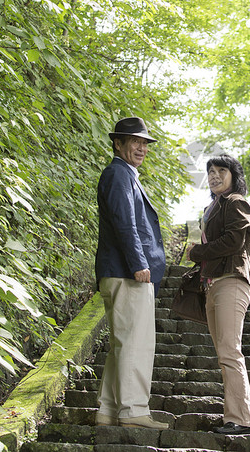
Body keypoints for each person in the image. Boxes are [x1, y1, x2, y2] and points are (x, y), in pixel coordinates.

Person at [94, 116, 168, 429]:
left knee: (123, 343)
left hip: (120, 270)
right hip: (126, 271)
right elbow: (126, 222)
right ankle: (133, 411)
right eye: (134, 141)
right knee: (135, 342)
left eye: (143, 142)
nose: (140, 147)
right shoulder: (118, 174)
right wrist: (139, 263)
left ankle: (109, 410)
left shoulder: (124, 174)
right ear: (118, 144)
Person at [186, 154, 250, 435]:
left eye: (221, 170)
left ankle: (240, 420)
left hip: (231, 280)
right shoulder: (211, 207)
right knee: (224, 353)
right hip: (212, 284)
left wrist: (197, 252)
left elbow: (234, 240)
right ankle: (239, 416)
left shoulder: (235, 202)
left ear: (233, 175)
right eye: (211, 171)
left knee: (230, 350)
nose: (214, 175)